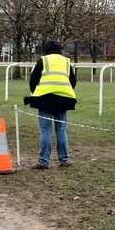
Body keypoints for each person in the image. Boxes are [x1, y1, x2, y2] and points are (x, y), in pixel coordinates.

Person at [24, 40, 77, 169]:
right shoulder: (66, 62)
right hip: (63, 100)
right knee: (61, 130)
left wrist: (35, 93)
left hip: (45, 100)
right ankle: (64, 160)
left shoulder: (43, 60)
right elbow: (73, 81)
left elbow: (33, 79)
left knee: (45, 130)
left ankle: (43, 161)